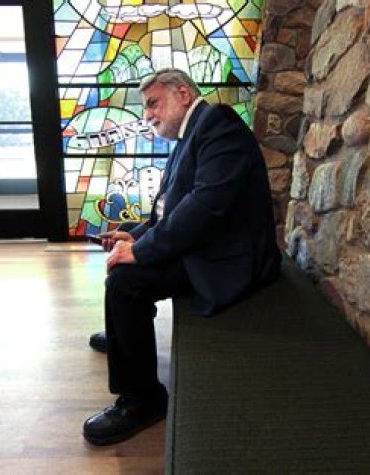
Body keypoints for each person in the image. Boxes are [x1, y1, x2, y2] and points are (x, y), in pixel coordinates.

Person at [82, 68, 281, 446]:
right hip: (207, 243)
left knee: (125, 283)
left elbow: (205, 208)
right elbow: (172, 209)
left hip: (229, 258)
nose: (148, 115)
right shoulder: (194, 133)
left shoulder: (218, 125)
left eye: (153, 103)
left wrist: (139, 250)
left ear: (184, 94)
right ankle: (126, 336)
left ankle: (144, 399)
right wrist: (135, 235)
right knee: (125, 267)